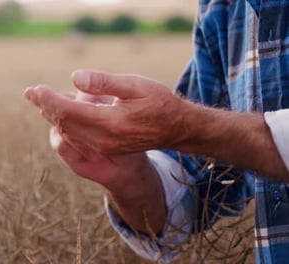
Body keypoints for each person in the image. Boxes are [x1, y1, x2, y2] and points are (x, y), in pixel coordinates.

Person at [23, 0, 289, 263]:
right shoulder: (222, 6)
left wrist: (188, 128)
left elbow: (198, 128)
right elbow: (194, 188)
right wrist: (130, 175)